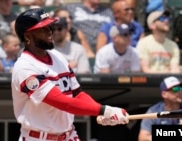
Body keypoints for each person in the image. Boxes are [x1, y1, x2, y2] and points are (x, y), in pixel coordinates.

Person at [11, 8, 129, 141]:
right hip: (39, 137)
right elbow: (62, 102)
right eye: (43, 29)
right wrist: (102, 110)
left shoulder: (57, 56)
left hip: (68, 135)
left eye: (50, 27)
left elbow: (77, 94)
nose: (50, 32)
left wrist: (101, 113)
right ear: (27, 36)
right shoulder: (25, 67)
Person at [138, 76, 182, 141]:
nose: (179, 92)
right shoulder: (154, 111)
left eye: (180, 88)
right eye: (175, 89)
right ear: (164, 94)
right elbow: (142, 138)